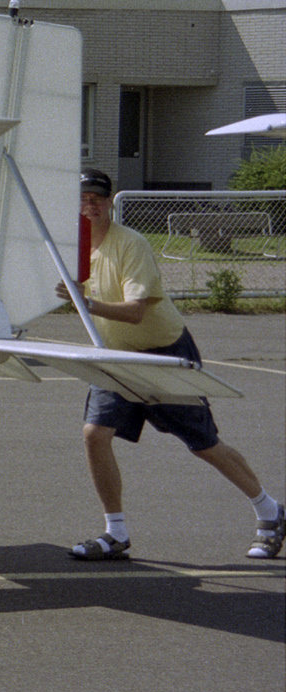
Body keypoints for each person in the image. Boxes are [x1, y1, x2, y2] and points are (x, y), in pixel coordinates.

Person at [59, 168, 281, 561]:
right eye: (82, 198)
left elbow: (136, 311)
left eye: (97, 197)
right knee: (95, 433)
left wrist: (86, 302)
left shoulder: (132, 245)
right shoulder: (72, 249)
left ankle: (271, 511)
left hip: (163, 354)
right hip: (115, 358)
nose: (89, 204)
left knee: (204, 445)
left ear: (110, 202)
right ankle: (116, 534)